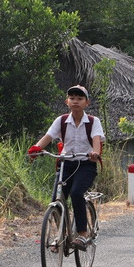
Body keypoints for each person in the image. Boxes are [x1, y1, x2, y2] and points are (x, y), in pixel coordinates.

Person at [28, 85, 104, 250]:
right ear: (67, 102)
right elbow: (48, 137)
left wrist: (95, 153)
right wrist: (36, 149)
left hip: (86, 164)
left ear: (87, 102)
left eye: (79, 98)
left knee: (76, 193)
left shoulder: (93, 122)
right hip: (66, 164)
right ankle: (61, 236)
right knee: (56, 198)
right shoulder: (61, 120)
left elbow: (96, 140)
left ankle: (82, 235)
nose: (75, 101)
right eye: (72, 98)